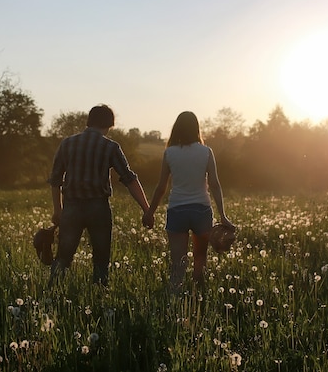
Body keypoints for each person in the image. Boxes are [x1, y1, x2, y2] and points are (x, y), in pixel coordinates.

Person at [48, 104, 150, 287]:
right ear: (109, 124)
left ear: (89, 121)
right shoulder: (110, 147)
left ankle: (52, 293)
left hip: (71, 207)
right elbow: (129, 179)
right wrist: (146, 209)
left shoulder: (67, 144)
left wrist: (58, 210)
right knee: (101, 260)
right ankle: (99, 297)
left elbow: (55, 179)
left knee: (63, 257)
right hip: (98, 208)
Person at [143, 111, 235, 291]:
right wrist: (223, 215)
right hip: (201, 210)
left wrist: (150, 212)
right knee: (200, 261)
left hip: (177, 210)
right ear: (196, 129)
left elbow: (161, 187)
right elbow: (215, 185)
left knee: (178, 263)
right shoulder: (206, 152)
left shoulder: (169, 153)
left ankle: (174, 301)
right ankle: (197, 299)